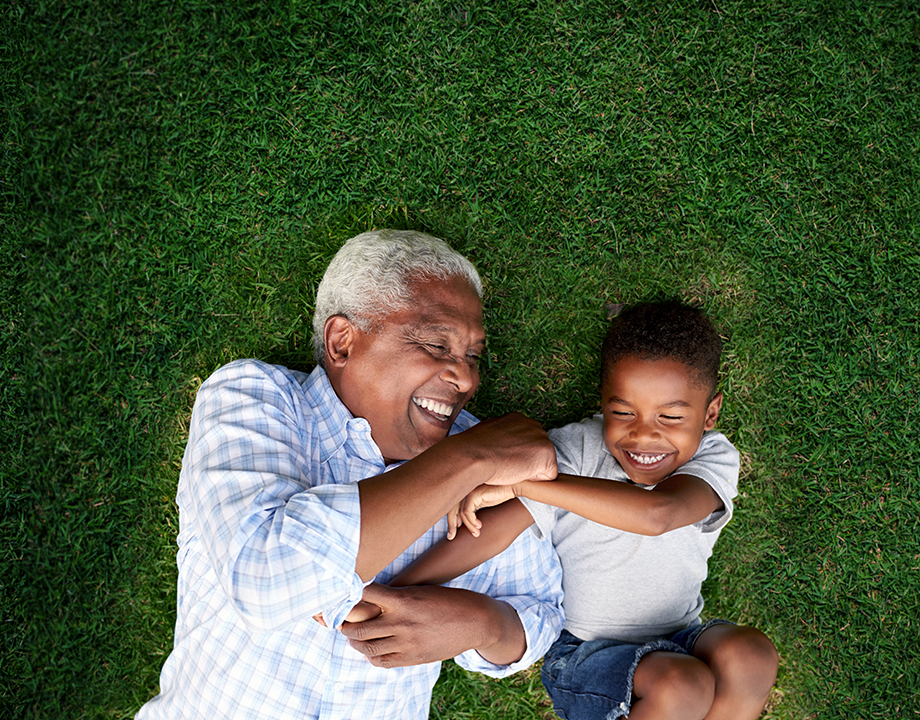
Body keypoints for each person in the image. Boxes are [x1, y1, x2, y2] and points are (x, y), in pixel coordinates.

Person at [136, 229, 565, 720]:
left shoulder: (482, 456)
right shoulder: (253, 398)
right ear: (342, 342)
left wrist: (481, 625)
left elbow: (539, 611)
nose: (466, 379)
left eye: (471, 356)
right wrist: (468, 459)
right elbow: (266, 579)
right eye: (435, 344)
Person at [380, 301, 779, 720]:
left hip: (683, 633)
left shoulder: (713, 457)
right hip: (586, 653)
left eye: (672, 416)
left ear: (710, 413)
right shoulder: (577, 450)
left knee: (751, 655)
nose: (644, 435)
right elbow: (496, 530)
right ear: (603, 403)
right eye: (623, 412)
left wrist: (524, 482)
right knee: (681, 685)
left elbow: (658, 514)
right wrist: (399, 590)